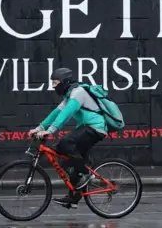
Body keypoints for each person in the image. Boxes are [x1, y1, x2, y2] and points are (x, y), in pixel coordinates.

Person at [29, 67, 107, 209]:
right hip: (86, 128)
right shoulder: (69, 95)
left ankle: (86, 173)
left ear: (64, 82)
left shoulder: (78, 93)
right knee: (63, 155)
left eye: (56, 83)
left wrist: (50, 131)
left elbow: (65, 114)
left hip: (95, 127)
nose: (54, 86)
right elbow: (56, 113)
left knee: (66, 142)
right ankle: (73, 197)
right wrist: (40, 128)